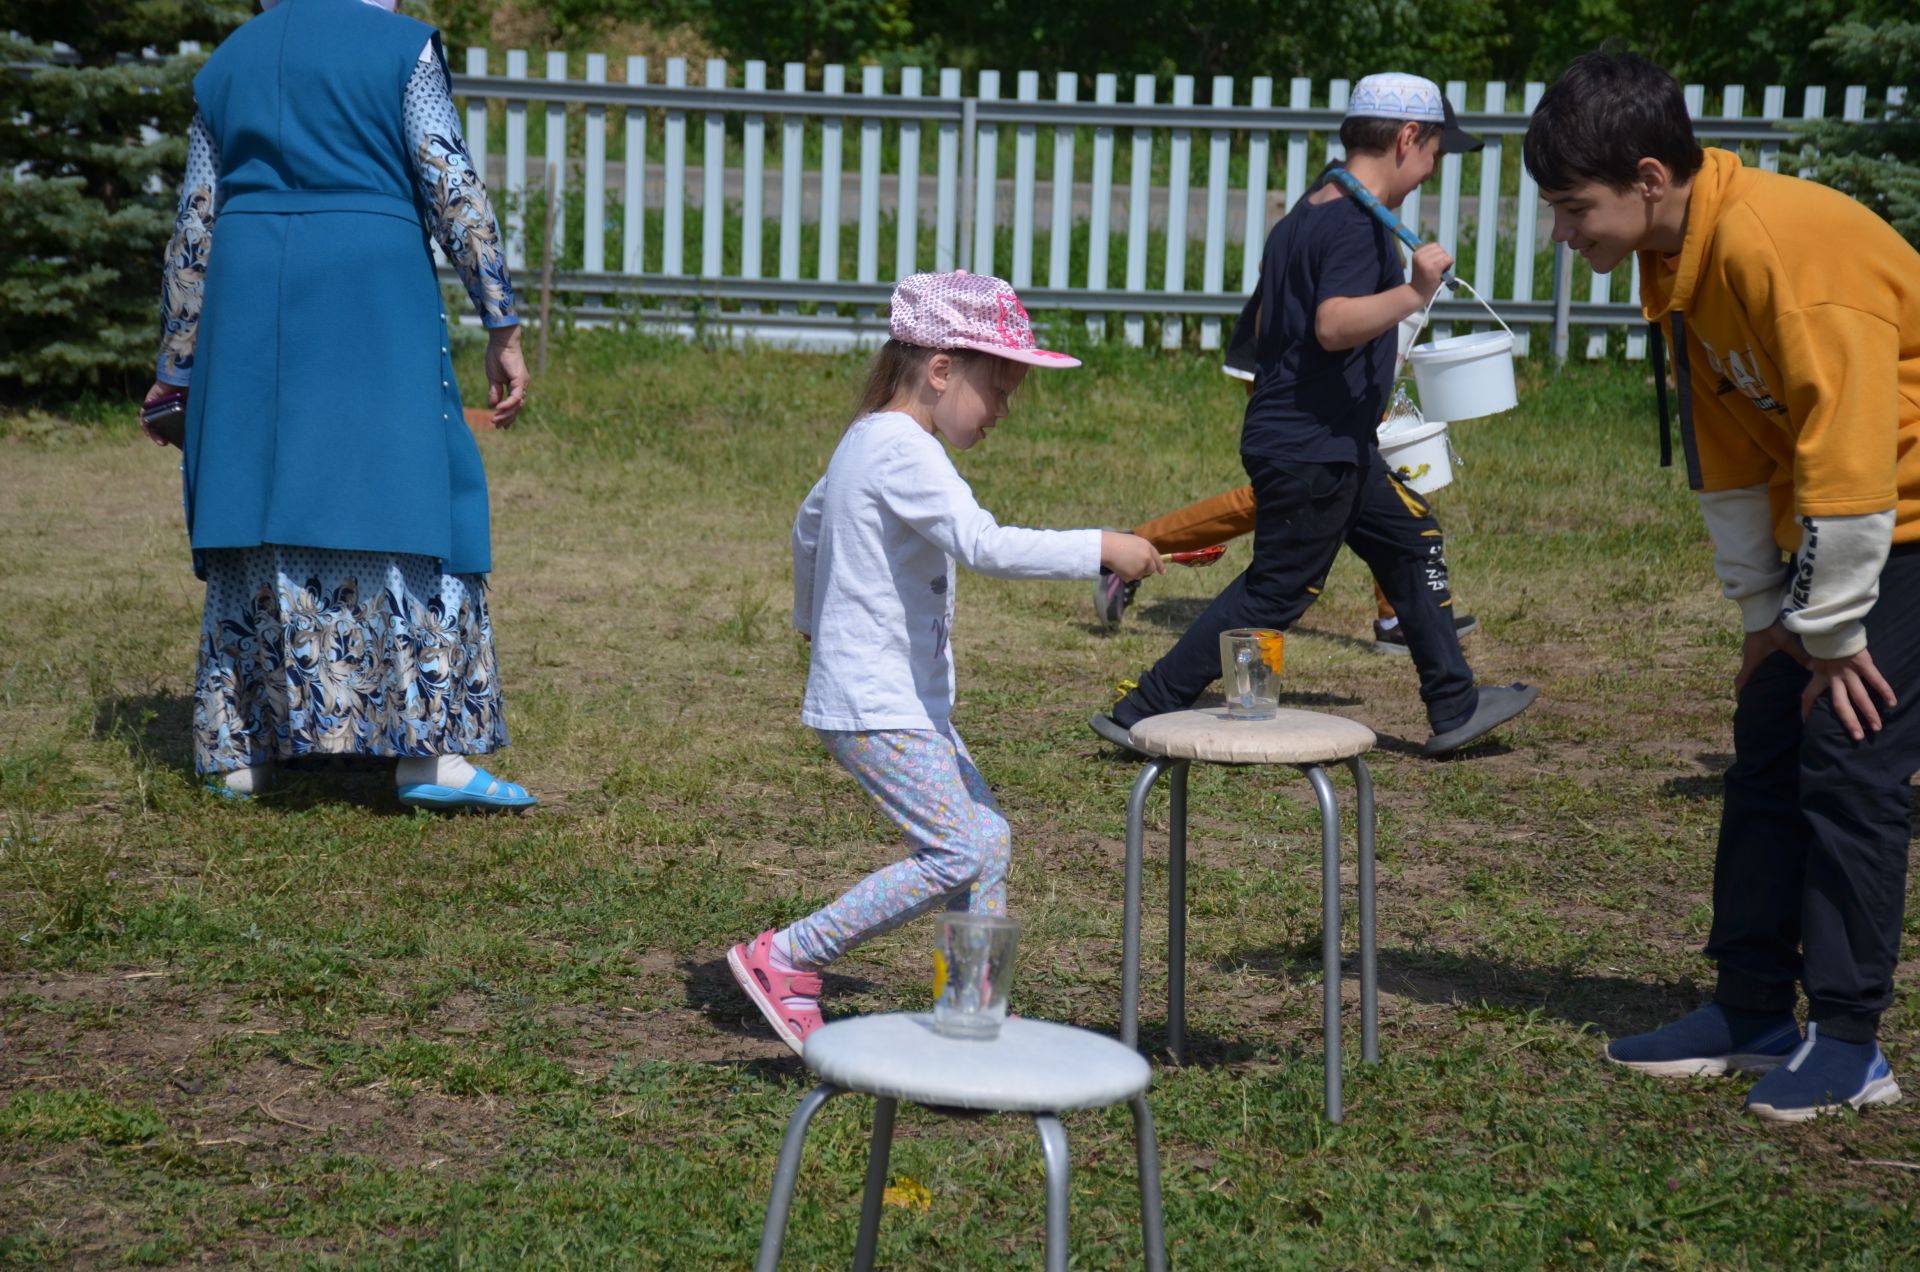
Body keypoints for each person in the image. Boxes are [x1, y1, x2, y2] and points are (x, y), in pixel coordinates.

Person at [1526, 51, 1920, 1122]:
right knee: (1767, 745)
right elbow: (1736, 445)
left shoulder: (1782, 249)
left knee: (1852, 764)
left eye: (1575, 210)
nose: (1566, 236)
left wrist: (1833, 632)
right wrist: (1766, 617)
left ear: (1649, 177)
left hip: (1903, 522)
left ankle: (1850, 1042)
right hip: (1838, 529)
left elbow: (1851, 447)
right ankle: (1752, 1010)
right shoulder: (1683, 263)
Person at [728, 271, 1162, 1054]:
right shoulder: (904, 450)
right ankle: (787, 956)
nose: (1003, 411)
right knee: (962, 846)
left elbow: (808, 526)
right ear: (939, 371)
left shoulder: (866, 439)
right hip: (876, 705)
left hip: (896, 699)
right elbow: (982, 543)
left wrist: (808, 619)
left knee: (987, 836)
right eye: (998, 389)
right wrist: (1101, 547)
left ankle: (972, 1006)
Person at [140, 0, 535, 811]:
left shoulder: (231, 60)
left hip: (250, 295)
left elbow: (196, 221)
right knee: (407, 493)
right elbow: (449, 180)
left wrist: (176, 365)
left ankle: (242, 752)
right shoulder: (402, 49)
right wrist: (500, 317)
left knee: (259, 500)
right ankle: (431, 756)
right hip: (369, 284)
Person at [1091, 74, 1536, 758]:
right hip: (1311, 450)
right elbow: (1331, 325)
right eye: (1435, 153)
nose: (1431, 171)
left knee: (1412, 543)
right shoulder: (1355, 224)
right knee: (1275, 592)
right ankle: (1140, 710)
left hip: (1333, 443)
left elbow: (1277, 322)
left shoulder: (1304, 214)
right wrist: (1415, 293)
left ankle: (1455, 703)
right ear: (1408, 139)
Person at [1094, 291, 1482, 656]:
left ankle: (1397, 617)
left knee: (1365, 476)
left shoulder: (1376, 226)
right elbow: (1284, 268)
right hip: (1296, 354)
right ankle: (1131, 547)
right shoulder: (1332, 224)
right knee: (1296, 489)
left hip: (1337, 360)